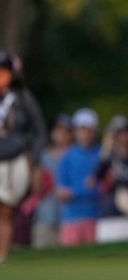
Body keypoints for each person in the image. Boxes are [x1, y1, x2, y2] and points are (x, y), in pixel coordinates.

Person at [0, 51, 46, 260]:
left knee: (6, 209)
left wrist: (33, 159)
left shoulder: (22, 98)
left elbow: (39, 130)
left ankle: (3, 256)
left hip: (14, 158)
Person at [56, 108, 102, 247]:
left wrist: (76, 192)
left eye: (89, 129)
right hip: (71, 218)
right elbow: (62, 193)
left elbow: (104, 188)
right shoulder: (67, 157)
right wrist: (87, 189)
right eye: (82, 129)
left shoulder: (102, 155)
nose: (85, 134)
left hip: (96, 217)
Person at [31, 114, 74, 249]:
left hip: (71, 218)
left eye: (66, 131)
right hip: (46, 217)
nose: (62, 134)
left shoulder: (77, 155)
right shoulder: (43, 156)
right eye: (59, 129)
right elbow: (36, 188)